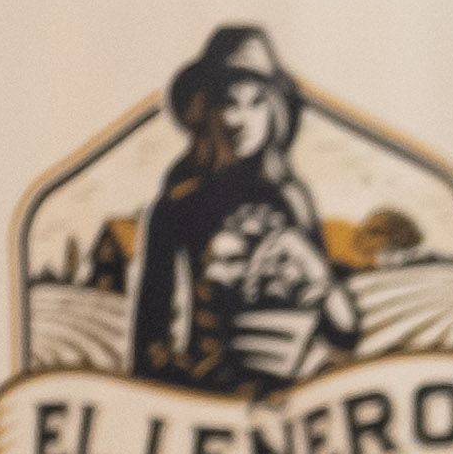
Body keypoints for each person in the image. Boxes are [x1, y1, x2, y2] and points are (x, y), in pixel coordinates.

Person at [132, 22, 362, 392]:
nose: (239, 119)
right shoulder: (178, 203)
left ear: (274, 112)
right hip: (200, 401)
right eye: (228, 102)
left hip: (287, 401)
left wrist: (314, 271)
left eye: (255, 102)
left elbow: (343, 333)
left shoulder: (292, 199)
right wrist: (181, 390)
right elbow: (149, 338)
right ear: (205, 109)